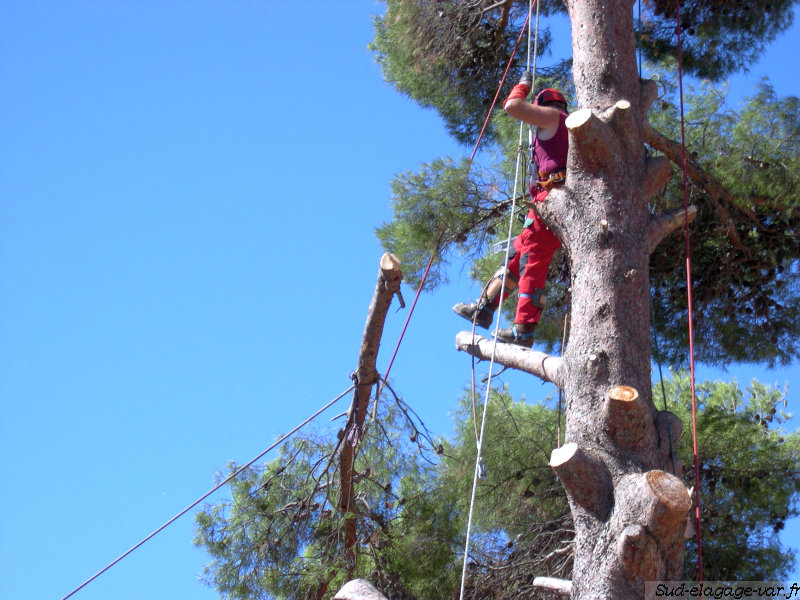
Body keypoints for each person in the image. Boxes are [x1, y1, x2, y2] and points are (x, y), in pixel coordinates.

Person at [453, 72, 568, 348]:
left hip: (551, 203)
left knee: (532, 262)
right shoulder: (556, 127)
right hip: (543, 206)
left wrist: (523, 86)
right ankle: (485, 308)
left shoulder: (554, 119)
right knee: (517, 256)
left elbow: (512, 106)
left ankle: (523, 331)